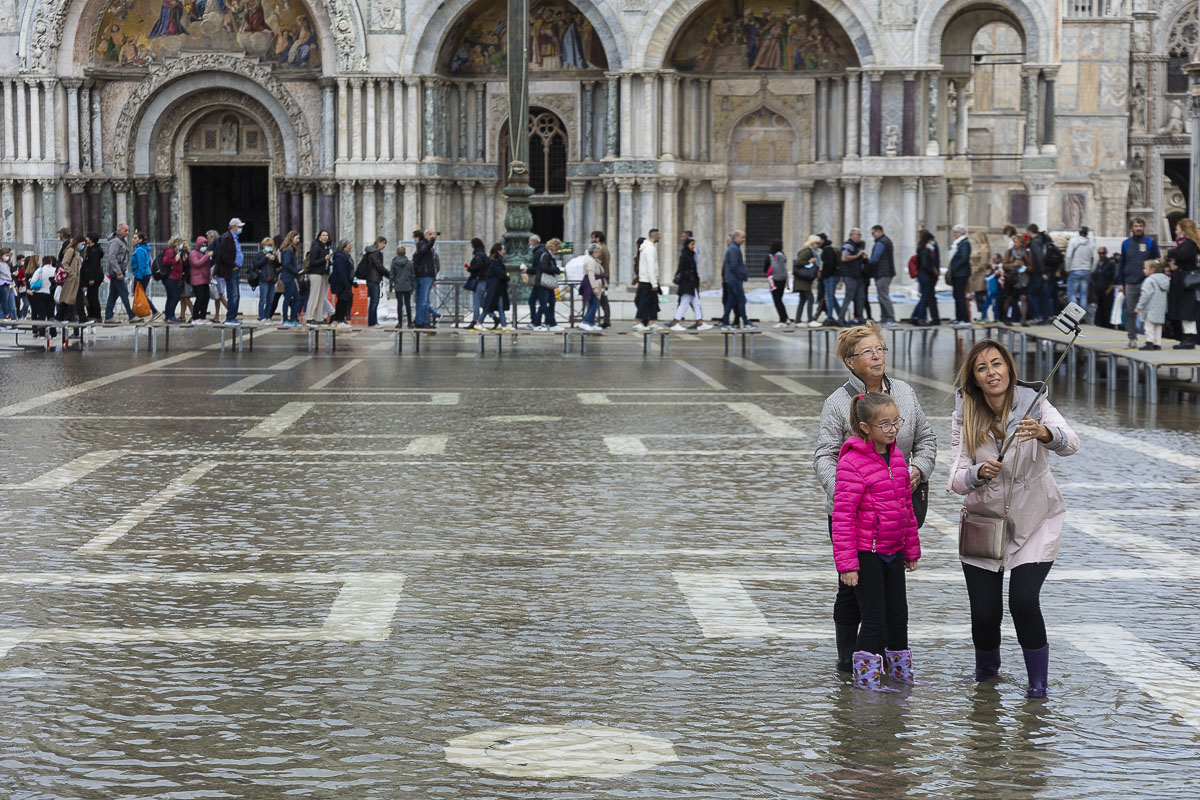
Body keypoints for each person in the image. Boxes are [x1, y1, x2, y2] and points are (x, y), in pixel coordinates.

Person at [949, 339, 1079, 698]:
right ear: (974, 379)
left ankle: (1038, 688)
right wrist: (977, 473)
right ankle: (986, 679)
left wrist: (1045, 433)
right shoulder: (965, 413)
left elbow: (1071, 443)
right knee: (986, 614)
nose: (991, 373)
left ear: (1009, 368)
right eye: (981, 368)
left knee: (1022, 601)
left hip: (1036, 519)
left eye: (997, 364)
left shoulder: (1036, 404)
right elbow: (955, 478)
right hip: (984, 523)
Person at [813, 322, 937, 675]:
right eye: (868, 351)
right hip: (853, 513)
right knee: (852, 589)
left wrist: (918, 471)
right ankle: (849, 661)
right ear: (851, 362)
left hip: (900, 503)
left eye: (880, 348)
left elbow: (927, 439)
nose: (877, 355)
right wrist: (854, 494)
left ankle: (886, 660)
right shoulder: (838, 403)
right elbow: (824, 455)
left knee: (891, 592)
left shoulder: (904, 392)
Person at [833, 391, 922, 691]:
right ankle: (866, 681)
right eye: (884, 424)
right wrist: (847, 565)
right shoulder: (852, 463)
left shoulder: (897, 458)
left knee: (899, 616)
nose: (893, 428)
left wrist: (911, 548)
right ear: (865, 427)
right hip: (866, 554)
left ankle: (900, 678)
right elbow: (843, 516)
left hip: (893, 551)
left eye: (895, 421)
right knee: (874, 620)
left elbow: (905, 508)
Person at [1118, 217, 1160, 348]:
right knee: (1130, 311)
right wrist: (1120, 282)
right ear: (1132, 227)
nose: (1138, 228)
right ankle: (1132, 338)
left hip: (1147, 282)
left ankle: (1149, 339)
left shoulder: (1150, 242)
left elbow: (1157, 261)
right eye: (1136, 226)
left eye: (1140, 226)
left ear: (1144, 227)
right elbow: (1121, 264)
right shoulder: (1126, 243)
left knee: (1148, 312)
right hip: (1130, 282)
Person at [1166, 218, 1200, 349]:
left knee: (1187, 310)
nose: (1176, 230)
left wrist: (1171, 253)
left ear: (1183, 229)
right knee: (1183, 309)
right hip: (1181, 279)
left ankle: (1189, 338)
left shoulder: (1189, 243)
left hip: (1185, 281)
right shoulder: (1184, 243)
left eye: (1177, 228)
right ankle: (1186, 337)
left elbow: (1180, 255)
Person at [670, 237, 711, 331]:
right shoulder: (685, 255)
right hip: (687, 284)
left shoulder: (690, 254)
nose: (693, 246)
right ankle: (675, 323)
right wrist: (691, 278)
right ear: (687, 245)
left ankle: (700, 323)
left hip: (692, 285)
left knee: (696, 303)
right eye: (692, 244)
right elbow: (682, 270)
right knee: (684, 304)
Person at [214, 217, 245, 324]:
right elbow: (224, 254)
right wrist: (233, 265)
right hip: (231, 270)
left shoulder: (234, 237)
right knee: (233, 294)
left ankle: (233, 316)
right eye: (239, 226)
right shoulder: (227, 238)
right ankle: (230, 317)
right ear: (233, 226)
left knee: (236, 294)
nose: (240, 228)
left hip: (235, 270)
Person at [1135, 259, 1170, 351]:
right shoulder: (1165, 280)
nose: (1144, 270)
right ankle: (1157, 344)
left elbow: (1145, 295)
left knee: (1149, 326)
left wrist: (1139, 306)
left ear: (1152, 270)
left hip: (1150, 308)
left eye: (1145, 268)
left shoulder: (1149, 280)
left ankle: (1149, 342)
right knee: (1158, 326)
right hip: (1160, 308)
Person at [720, 230, 752, 330]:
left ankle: (725, 322)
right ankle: (746, 322)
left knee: (731, 300)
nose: (743, 240)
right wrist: (742, 275)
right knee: (742, 300)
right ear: (736, 238)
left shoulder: (733, 248)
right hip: (734, 279)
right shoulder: (734, 249)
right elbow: (735, 265)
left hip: (731, 279)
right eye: (742, 237)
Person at [909, 229, 941, 326]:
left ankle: (915, 316)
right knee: (924, 298)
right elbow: (926, 264)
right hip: (926, 276)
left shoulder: (921, 248)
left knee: (924, 297)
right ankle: (921, 318)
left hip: (922, 275)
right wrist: (933, 271)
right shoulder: (926, 250)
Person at [867, 225, 897, 327]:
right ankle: (884, 318)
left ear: (879, 231)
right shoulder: (885, 241)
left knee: (883, 296)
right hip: (885, 272)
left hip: (883, 272)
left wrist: (867, 260)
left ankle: (890, 318)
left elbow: (875, 258)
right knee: (882, 296)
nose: (872, 235)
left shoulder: (881, 242)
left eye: (873, 233)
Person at [103, 223, 134, 322]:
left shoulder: (122, 241)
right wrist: (118, 272)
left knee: (113, 294)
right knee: (124, 293)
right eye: (125, 230)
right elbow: (112, 257)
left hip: (120, 271)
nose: (127, 233)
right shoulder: (116, 241)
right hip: (117, 273)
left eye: (128, 230)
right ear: (119, 231)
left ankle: (108, 315)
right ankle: (131, 315)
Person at [1063, 226, 1095, 317]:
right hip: (1086, 270)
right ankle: (1081, 316)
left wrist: (1067, 268)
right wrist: (1091, 269)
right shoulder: (1091, 243)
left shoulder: (1073, 241)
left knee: (1072, 293)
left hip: (1075, 269)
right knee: (1084, 294)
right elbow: (1096, 258)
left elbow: (1068, 256)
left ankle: (1074, 315)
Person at [1002, 232, 1032, 326]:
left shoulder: (1027, 253)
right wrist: (1013, 265)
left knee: (1023, 298)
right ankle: (1005, 317)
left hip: (1023, 279)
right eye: (1014, 242)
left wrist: (1025, 267)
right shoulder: (1009, 252)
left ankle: (1023, 320)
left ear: (1022, 243)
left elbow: (1032, 267)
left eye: (1017, 242)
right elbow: (1004, 266)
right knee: (1009, 298)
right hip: (1012, 279)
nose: (1015, 244)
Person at [634, 229, 662, 331]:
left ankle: (652, 321)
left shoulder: (647, 248)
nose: (660, 237)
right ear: (655, 236)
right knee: (644, 301)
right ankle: (638, 322)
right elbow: (650, 267)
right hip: (648, 281)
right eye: (659, 235)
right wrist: (654, 283)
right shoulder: (650, 249)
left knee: (653, 302)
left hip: (647, 280)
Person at [481, 243, 512, 331]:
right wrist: (507, 277)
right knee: (488, 306)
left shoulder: (491, 260)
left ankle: (504, 325)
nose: (504, 251)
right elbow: (500, 274)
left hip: (496, 287)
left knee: (500, 307)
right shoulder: (496, 261)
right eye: (502, 249)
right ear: (498, 251)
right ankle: (478, 323)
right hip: (495, 287)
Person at [839, 228, 868, 325]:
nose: (860, 236)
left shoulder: (857, 246)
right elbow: (844, 257)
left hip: (858, 275)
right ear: (852, 235)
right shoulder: (848, 245)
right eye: (858, 234)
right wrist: (857, 255)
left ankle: (860, 317)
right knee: (849, 297)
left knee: (860, 297)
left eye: (860, 234)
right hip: (850, 275)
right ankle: (841, 318)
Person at [413, 228, 439, 328]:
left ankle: (423, 321)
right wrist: (432, 240)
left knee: (424, 300)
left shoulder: (428, 247)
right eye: (431, 234)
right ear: (426, 235)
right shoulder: (423, 244)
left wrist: (434, 277)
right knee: (423, 301)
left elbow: (433, 263)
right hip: (424, 275)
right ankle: (421, 321)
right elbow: (424, 249)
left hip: (428, 275)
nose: (433, 236)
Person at [306, 229, 333, 324]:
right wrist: (324, 259)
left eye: (326, 235)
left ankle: (318, 317)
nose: (325, 237)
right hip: (315, 274)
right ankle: (309, 317)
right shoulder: (316, 247)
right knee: (314, 296)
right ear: (319, 237)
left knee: (321, 297)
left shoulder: (325, 247)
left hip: (323, 274)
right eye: (323, 235)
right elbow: (313, 262)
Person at [793, 234, 820, 326]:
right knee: (810, 298)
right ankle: (810, 320)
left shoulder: (808, 251)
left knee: (802, 300)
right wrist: (810, 261)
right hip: (803, 281)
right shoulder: (807, 252)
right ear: (812, 243)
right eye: (817, 243)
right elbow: (798, 262)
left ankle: (798, 320)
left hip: (802, 280)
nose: (818, 245)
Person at [948, 224, 972, 326]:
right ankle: (958, 318)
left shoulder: (965, 243)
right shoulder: (959, 243)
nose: (954, 235)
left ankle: (964, 319)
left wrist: (954, 268)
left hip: (961, 273)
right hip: (957, 273)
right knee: (957, 296)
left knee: (960, 296)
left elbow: (964, 258)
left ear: (961, 233)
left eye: (956, 233)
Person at [130, 231, 158, 318]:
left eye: (135, 238)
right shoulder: (143, 249)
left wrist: (138, 277)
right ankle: (146, 311)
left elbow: (141, 265)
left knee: (140, 294)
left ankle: (152, 311)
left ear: (140, 240)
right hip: (144, 274)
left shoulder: (140, 250)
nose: (133, 240)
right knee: (140, 293)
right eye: (133, 238)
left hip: (142, 274)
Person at [56, 235, 84, 323]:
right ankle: (60, 317)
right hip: (71, 279)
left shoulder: (77, 252)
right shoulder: (71, 251)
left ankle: (60, 317)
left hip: (76, 280)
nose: (82, 246)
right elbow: (64, 263)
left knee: (73, 299)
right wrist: (71, 272)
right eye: (82, 244)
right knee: (68, 299)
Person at [362, 235, 389, 327]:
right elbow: (379, 266)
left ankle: (372, 321)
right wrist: (389, 275)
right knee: (374, 301)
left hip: (370, 278)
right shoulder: (375, 253)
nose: (384, 246)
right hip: (374, 279)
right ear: (379, 242)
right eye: (384, 244)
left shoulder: (370, 252)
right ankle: (373, 322)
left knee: (373, 301)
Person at [579, 242, 606, 332]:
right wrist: (594, 287)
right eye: (598, 251)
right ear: (593, 252)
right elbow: (591, 274)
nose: (599, 253)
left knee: (594, 303)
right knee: (594, 303)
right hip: (591, 283)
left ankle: (591, 322)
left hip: (594, 282)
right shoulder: (590, 261)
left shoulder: (593, 260)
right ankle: (585, 322)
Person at [278, 231, 303, 326]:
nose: (298, 240)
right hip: (288, 277)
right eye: (297, 238)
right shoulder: (288, 250)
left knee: (295, 298)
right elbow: (286, 264)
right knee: (289, 298)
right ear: (292, 238)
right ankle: (286, 319)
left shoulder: (289, 250)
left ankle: (293, 318)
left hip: (290, 277)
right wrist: (296, 271)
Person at [28, 255, 57, 336]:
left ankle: (42, 333)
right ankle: (53, 333)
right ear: (51, 262)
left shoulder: (39, 270)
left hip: (39, 294)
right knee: (51, 314)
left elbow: (32, 281)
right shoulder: (55, 270)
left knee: (41, 315)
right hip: (51, 294)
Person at [465, 237, 490, 330]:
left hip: (479, 281)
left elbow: (479, 266)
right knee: (483, 303)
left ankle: (475, 321)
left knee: (476, 303)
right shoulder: (482, 254)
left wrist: (470, 268)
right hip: (482, 281)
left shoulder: (479, 255)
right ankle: (495, 317)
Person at [329, 238, 355, 325]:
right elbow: (342, 272)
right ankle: (339, 319)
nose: (350, 247)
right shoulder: (340, 257)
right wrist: (346, 284)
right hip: (341, 282)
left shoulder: (346, 256)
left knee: (343, 300)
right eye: (349, 246)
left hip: (345, 281)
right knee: (342, 300)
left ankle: (338, 318)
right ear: (344, 247)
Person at [253, 237, 279, 322]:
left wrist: (274, 259)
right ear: (263, 245)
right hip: (263, 279)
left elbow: (278, 265)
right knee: (263, 299)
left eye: (270, 245)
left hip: (272, 279)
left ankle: (267, 316)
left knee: (270, 300)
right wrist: (265, 258)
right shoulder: (260, 254)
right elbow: (256, 265)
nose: (269, 247)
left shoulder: (273, 255)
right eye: (267, 245)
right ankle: (261, 316)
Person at [188, 235, 213, 323]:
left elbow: (208, 265)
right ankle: (195, 316)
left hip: (205, 279)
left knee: (206, 297)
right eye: (202, 245)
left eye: (205, 245)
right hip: (197, 280)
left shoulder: (204, 254)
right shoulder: (193, 253)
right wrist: (206, 257)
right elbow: (197, 263)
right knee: (200, 298)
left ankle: (203, 316)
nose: (204, 247)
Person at [818, 233, 841, 326]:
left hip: (830, 276)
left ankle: (830, 317)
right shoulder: (827, 249)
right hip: (831, 275)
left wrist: (823, 274)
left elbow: (830, 265)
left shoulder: (827, 250)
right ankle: (841, 315)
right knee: (832, 297)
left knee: (829, 297)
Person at [590, 231, 612, 328]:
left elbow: (596, 262)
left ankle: (593, 319)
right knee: (603, 298)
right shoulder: (605, 248)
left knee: (600, 298)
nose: (592, 240)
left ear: (598, 239)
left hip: (601, 277)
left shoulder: (600, 250)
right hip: (604, 276)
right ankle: (606, 319)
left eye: (593, 237)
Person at [389, 244, 414, 328]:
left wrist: (390, 286)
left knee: (399, 305)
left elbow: (391, 275)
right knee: (408, 305)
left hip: (398, 286)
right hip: (407, 286)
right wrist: (413, 286)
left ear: (397, 253)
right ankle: (410, 323)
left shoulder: (394, 262)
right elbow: (412, 275)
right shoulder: (409, 263)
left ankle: (399, 323)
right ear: (405, 252)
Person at [766, 239, 790, 327]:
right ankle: (785, 318)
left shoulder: (771, 256)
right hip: (782, 280)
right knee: (780, 300)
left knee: (777, 301)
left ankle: (782, 320)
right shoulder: (782, 255)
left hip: (773, 280)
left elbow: (765, 268)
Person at [968, 231, 991, 322]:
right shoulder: (979, 248)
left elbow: (984, 262)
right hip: (975, 275)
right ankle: (982, 315)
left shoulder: (984, 248)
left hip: (980, 275)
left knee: (981, 296)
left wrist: (976, 269)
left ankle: (984, 316)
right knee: (978, 296)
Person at [1093, 245, 1117, 329]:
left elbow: (1114, 278)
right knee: (1098, 311)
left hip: (1107, 291)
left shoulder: (1110, 264)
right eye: (1099, 253)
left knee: (1107, 311)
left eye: (1103, 253)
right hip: (1097, 291)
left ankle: (1108, 327)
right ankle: (1099, 326)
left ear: (1106, 253)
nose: (1101, 255)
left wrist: (1109, 289)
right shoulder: (1095, 264)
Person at [81, 233, 104, 321]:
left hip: (94, 276)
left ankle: (96, 315)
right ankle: (90, 314)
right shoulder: (90, 249)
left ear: (91, 239)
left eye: (87, 238)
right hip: (90, 275)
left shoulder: (95, 251)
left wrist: (92, 278)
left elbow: (94, 265)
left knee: (93, 296)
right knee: (89, 296)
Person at [162, 236, 185, 324]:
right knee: (175, 296)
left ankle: (169, 316)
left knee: (171, 297)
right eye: (180, 243)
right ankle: (170, 316)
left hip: (174, 278)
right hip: (170, 278)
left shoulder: (176, 252)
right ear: (176, 244)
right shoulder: (170, 251)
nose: (181, 245)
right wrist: (175, 260)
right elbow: (166, 261)